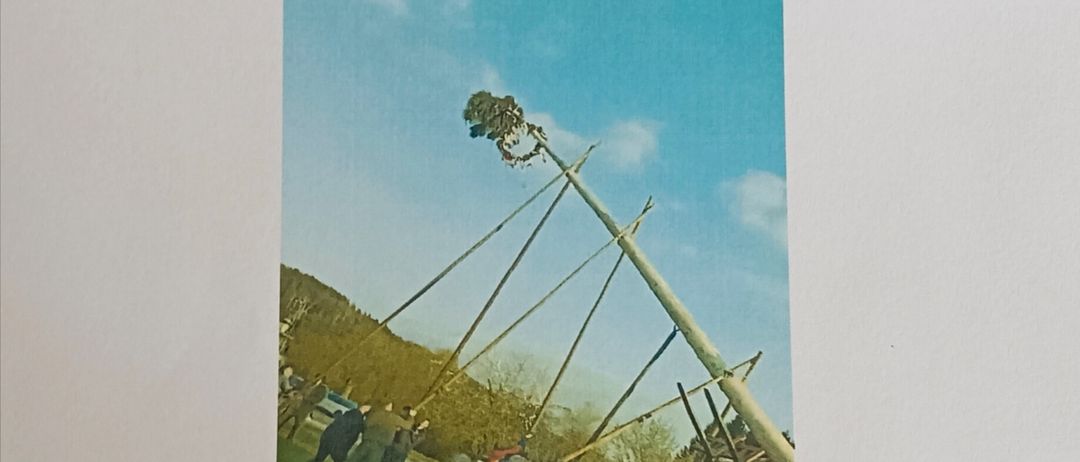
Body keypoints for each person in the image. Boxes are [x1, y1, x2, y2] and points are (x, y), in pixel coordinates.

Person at [279, 375, 329, 440]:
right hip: (296, 404)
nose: (316, 379)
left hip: (305, 409)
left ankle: (290, 438)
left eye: (319, 378)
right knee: (283, 418)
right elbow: (301, 390)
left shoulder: (323, 389)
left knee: (297, 425)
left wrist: (306, 398)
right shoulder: (309, 384)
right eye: (316, 377)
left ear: (322, 380)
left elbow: (317, 399)